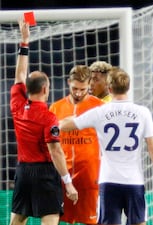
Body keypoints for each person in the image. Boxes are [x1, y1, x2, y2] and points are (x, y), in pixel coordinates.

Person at [59, 67, 153, 225]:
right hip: (134, 181)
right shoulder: (142, 112)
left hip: (108, 180)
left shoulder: (100, 112)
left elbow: (66, 125)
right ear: (128, 87)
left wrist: (61, 121)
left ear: (109, 88)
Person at [9, 19, 78, 225]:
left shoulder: (17, 104)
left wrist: (25, 41)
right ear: (46, 89)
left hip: (22, 171)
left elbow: (20, 74)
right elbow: (56, 151)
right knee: (50, 217)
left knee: (18, 218)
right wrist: (68, 183)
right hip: (44, 174)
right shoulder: (49, 117)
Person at [49, 65, 104, 225]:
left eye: (83, 89)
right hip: (62, 177)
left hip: (90, 177)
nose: (78, 93)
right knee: (56, 220)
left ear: (89, 86)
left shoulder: (100, 107)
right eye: (75, 88)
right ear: (68, 83)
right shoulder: (56, 107)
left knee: (93, 221)